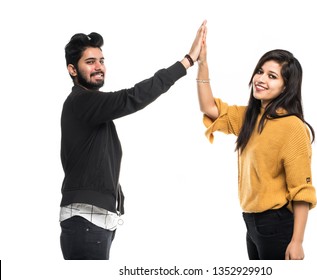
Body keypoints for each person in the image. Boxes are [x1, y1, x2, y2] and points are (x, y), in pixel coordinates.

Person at [59, 21, 207, 260]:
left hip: (97, 220)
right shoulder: (81, 102)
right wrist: (187, 61)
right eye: (90, 62)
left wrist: (116, 198)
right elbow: (134, 97)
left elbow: (98, 161)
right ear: (72, 70)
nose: (99, 67)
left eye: (101, 61)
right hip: (85, 220)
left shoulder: (94, 110)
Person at [196, 28, 317, 260]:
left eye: (272, 76)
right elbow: (209, 108)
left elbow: (301, 191)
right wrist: (202, 63)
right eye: (260, 72)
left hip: (276, 224)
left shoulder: (292, 127)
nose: (260, 79)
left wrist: (297, 241)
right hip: (252, 223)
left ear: (286, 86)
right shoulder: (250, 117)